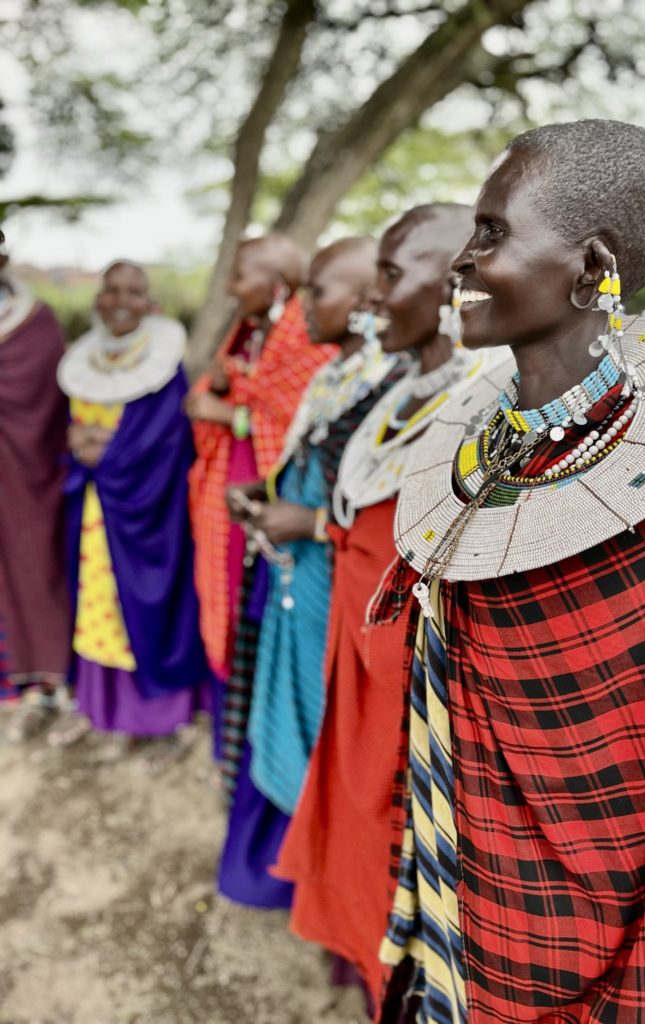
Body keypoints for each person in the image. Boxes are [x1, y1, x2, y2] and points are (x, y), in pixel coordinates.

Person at [371, 120, 645, 1023]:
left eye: (491, 234)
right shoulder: (482, 456)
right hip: (469, 905)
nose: (459, 266)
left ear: (592, 271)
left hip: (593, 951)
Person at [274, 205, 501, 1014]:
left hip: (418, 691)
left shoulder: (487, 406)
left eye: (391, 278)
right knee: (358, 832)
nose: (373, 301)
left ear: (450, 285)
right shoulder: (397, 390)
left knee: (404, 858)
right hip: (360, 665)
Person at [216, 236, 404, 911]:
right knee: (288, 718)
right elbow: (303, 468)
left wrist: (311, 523)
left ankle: (329, 891)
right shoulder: (333, 376)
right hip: (298, 579)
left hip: (338, 589)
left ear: (360, 303)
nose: (304, 305)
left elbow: (385, 518)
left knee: (329, 728)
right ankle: (290, 875)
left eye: (317, 291)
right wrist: (267, 497)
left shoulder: (393, 385)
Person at [186, 234, 335, 752]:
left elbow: (305, 419)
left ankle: (262, 725)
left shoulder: (310, 338)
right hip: (231, 479)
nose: (230, 287)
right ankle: (228, 707)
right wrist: (224, 395)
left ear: (275, 285)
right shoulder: (247, 332)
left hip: (276, 486)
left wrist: (234, 415)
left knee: (262, 593)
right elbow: (209, 392)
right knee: (224, 584)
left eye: (240, 277)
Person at [54, 261, 209, 756]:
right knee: (99, 606)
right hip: (95, 515)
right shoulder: (85, 361)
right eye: (112, 290)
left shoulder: (165, 369)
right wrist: (82, 446)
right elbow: (75, 433)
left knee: (141, 605)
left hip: (147, 514)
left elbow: (171, 444)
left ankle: (156, 719)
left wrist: (110, 453)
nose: (121, 300)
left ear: (150, 303)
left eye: (134, 291)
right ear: (98, 299)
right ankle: (106, 711)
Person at [0, 235, 70, 737]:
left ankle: (45, 683)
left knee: (32, 564)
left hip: (26, 473)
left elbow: (51, 402)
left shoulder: (33, 322)